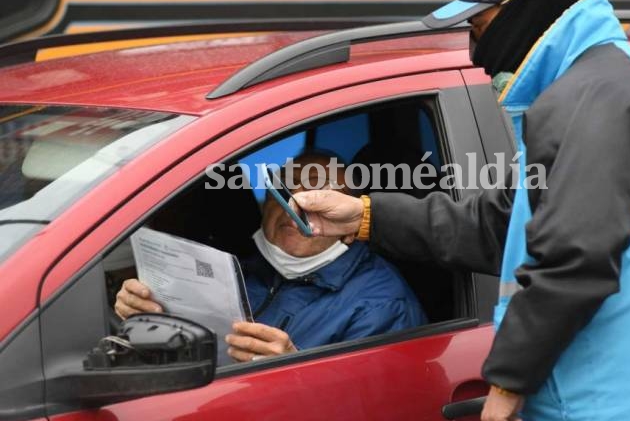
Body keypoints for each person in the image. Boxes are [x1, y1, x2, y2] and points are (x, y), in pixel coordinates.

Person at [292, 0, 630, 421]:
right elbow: (502, 226)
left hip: (621, 407)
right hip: (613, 400)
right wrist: (365, 215)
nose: (477, 52)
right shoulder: (590, 87)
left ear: (527, 8)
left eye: (479, 26)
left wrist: (508, 382)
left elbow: (575, 257)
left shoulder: (595, 94)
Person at [114, 152, 427, 362]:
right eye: (285, 191)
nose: (296, 207)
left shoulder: (382, 306)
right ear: (265, 205)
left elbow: (373, 411)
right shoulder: (231, 269)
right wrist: (143, 319)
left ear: (348, 226)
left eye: (321, 196)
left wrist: (293, 369)